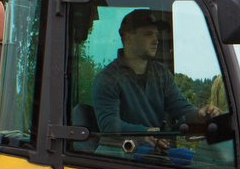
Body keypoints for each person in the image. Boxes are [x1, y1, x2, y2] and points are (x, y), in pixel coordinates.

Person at [92, 9, 220, 150]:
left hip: (153, 154)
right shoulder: (108, 79)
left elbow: (181, 108)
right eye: (148, 34)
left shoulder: (161, 74)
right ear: (127, 38)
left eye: (156, 35)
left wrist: (200, 114)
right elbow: (109, 125)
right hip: (119, 154)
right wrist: (144, 133)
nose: (156, 40)